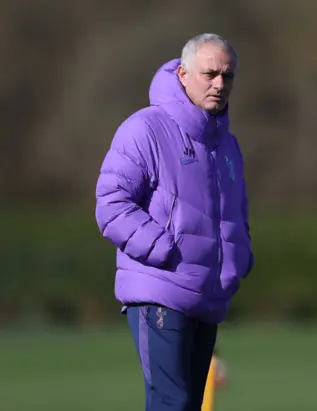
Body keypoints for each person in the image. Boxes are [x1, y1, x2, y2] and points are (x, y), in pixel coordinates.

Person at [95, 33, 253, 410]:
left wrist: (239, 258)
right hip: (159, 293)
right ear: (183, 74)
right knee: (172, 402)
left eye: (227, 76)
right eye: (209, 74)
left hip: (208, 296)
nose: (219, 84)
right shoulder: (145, 128)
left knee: (188, 404)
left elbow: (237, 215)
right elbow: (111, 204)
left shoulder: (227, 145)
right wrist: (167, 251)